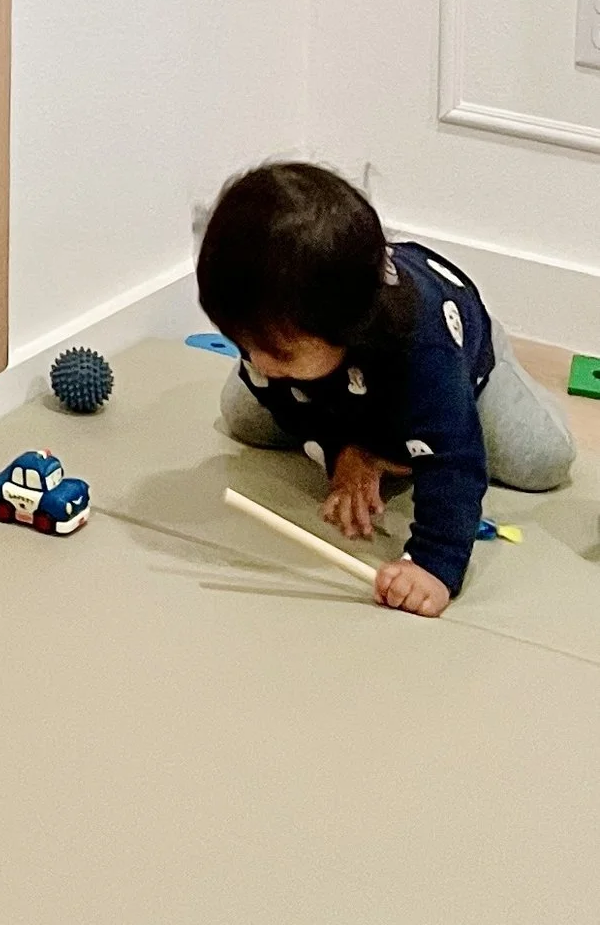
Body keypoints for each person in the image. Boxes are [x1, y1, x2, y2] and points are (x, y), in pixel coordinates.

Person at [196, 159, 575, 614]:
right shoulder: (275, 346)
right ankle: (357, 422)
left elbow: (453, 460)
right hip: (347, 380)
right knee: (242, 415)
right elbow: (288, 400)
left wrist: (433, 565)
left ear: (346, 328)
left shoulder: (424, 353)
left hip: (460, 351)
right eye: (241, 341)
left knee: (543, 459)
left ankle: (495, 357)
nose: (255, 360)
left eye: (279, 352)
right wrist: (344, 452)